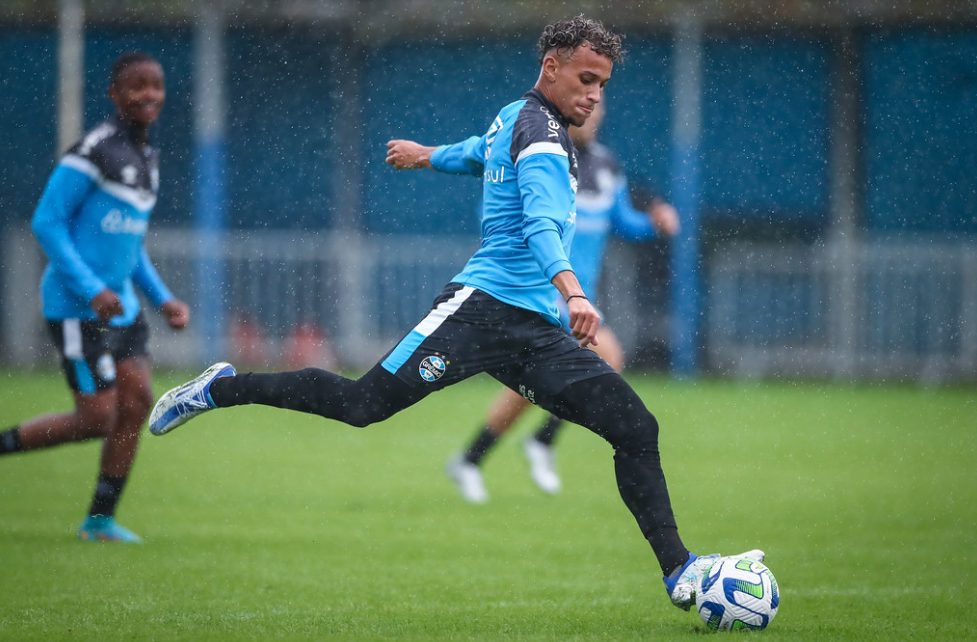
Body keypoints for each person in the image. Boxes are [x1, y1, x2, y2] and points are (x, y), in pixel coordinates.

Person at [149, 16, 761, 611]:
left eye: (602, 84)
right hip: (478, 313)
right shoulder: (544, 138)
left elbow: (478, 151)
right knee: (363, 406)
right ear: (552, 68)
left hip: (532, 331)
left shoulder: (517, 117)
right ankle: (218, 389)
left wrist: (425, 154)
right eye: (586, 79)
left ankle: (681, 571)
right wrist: (574, 291)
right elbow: (540, 225)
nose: (595, 95)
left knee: (634, 427)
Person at [447, 100, 680, 503]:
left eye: (601, 105)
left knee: (530, 388)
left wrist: (654, 224)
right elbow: (497, 210)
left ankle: (472, 458)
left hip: (576, 299)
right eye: (587, 102)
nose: (593, 112)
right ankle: (540, 442)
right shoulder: (541, 155)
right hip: (534, 291)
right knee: (606, 359)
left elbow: (622, 222)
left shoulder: (607, 166)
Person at [0, 51, 189, 542]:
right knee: (96, 417)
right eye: (136, 86)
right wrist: (92, 287)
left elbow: (131, 244)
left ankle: (100, 520)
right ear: (114, 94)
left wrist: (162, 298)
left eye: (156, 85)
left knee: (138, 399)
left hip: (122, 308)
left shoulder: (147, 158)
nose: (148, 94)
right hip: (76, 308)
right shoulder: (93, 150)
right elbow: (47, 221)